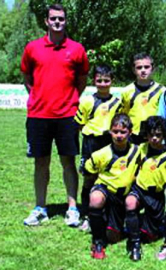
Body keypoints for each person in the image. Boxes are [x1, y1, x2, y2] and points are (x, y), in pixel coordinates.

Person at [21, 3, 89, 227]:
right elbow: (27, 79)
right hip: (38, 116)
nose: (57, 22)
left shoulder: (77, 49)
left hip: (67, 116)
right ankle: (40, 208)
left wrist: (68, 100)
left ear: (65, 21)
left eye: (61, 18)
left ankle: (72, 208)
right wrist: (39, 98)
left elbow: (81, 81)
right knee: (41, 163)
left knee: (68, 162)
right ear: (46, 21)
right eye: (53, 19)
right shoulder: (32, 48)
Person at [124, 116, 166, 261]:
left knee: (150, 236)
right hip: (139, 189)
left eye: (158, 135)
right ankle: (135, 244)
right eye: (150, 135)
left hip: (156, 196)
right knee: (130, 202)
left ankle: (144, 226)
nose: (154, 138)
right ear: (146, 135)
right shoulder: (140, 149)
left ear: (164, 134)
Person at [74, 64, 122, 230]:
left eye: (106, 80)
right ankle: (87, 215)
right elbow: (80, 124)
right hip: (91, 143)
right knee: (89, 179)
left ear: (112, 81)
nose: (103, 83)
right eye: (99, 80)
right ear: (93, 81)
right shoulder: (87, 101)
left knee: (108, 178)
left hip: (108, 143)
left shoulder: (117, 102)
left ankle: (107, 213)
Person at [85, 114, 139, 259]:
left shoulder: (137, 151)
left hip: (122, 197)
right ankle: (98, 242)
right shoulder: (100, 154)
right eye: (115, 131)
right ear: (110, 131)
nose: (119, 135)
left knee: (114, 237)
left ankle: (117, 227)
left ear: (130, 132)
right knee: (96, 198)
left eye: (123, 132)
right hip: (105, 191)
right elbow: (87, 173)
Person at [121, 53, 164, 145]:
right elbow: (123, 115)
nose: (143, 70)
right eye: (139, 67)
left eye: (146, 67)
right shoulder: (127, 91)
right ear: (133, 70)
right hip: (133, 135)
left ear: (152, 68)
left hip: (154, 135)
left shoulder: (161, 91)